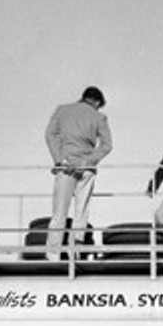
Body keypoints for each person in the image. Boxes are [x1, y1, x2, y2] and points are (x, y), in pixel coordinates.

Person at [44, 86, 113, 258]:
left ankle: (53, 255)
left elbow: (49, 135)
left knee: (59, 212)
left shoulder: (62, 110)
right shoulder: (99, 117)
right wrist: (86, 162)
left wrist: (59, 159)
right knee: (81, 211)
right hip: (86, 167)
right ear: (96, 102)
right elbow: (107, 146)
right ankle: (75, 253)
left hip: (65, 166)